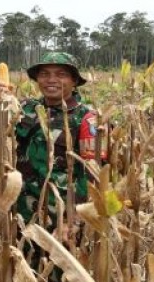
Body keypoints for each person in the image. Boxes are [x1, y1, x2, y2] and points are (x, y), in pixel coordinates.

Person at [11, 52, 97, 226]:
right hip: (21, 211)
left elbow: (92, 175)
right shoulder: (26, 108)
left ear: (74, 81)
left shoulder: (87, 118)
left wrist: (72, 220)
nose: (51, 79)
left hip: (60, 213)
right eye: (44, 74)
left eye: (61, 74)